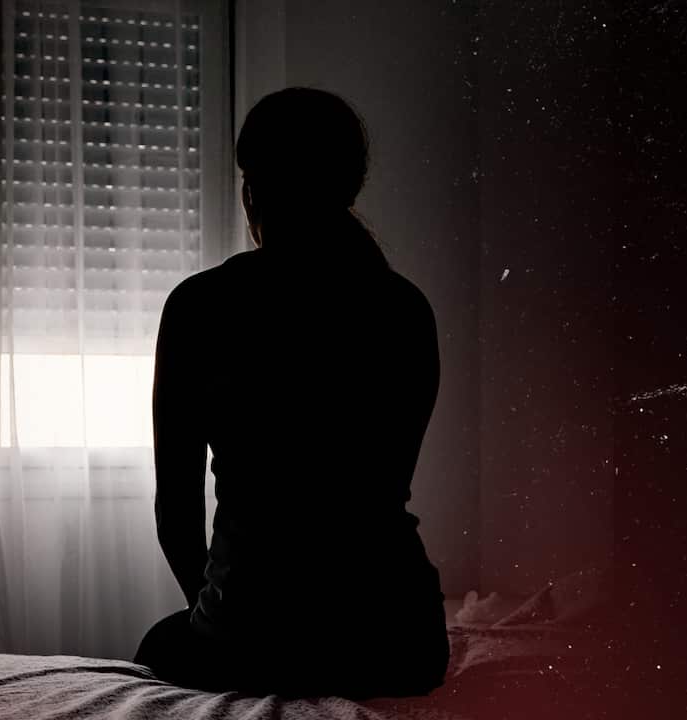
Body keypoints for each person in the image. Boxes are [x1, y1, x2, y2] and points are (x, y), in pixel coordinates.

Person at [133, 87, 450, 700]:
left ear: (251, 185)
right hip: (398, 639)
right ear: (350, 184)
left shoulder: (200, 306)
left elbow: (175, 511)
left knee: (160, 644)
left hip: (253, 635)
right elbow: (377, 492)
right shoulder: (403, 309)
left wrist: (226, 611)